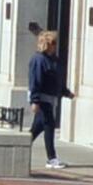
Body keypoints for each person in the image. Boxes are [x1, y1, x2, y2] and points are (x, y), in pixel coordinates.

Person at [25, 23, 67, 175]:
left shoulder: (52, 60)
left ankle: (21, 146)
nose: (55, 46)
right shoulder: (38, 60)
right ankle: (52, 158)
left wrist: (66, 92)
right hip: (42, 98)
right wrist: (35, 101)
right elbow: (35, 81)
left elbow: (56, 79)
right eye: (53, 43)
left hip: (49, 98)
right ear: (47, 44)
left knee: (37, 128)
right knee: (49, 125)